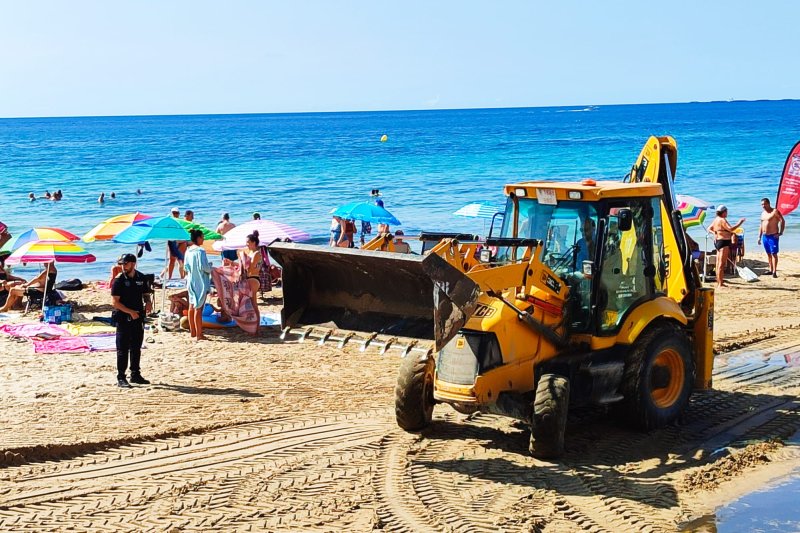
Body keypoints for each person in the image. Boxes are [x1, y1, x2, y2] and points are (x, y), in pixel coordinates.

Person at [111, 253, 153, 388]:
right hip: (123, 317)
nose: (123, 266)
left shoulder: (141, 277)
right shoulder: (119, 280)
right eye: (121, 264)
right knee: (122, 348)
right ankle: (121, 377)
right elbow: (115, 303)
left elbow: (146, 293)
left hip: (138, 316)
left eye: (126, 263)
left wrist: (148, 302)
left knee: (136, 347)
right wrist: (130, 312)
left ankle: (135, 374)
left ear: (133, 263)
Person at [708, 205, 745, 288]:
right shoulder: (722, 220)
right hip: (723, 242)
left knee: (718, 263)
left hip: (718, 242)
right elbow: (731, 229)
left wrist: (715, 233)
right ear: (724, 212)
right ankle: (720, 283)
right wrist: (740, 223)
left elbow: (709, 228)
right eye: (726, 211)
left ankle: (719, 282)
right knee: (721, 264)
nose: (727, 213)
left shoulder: (716, 220)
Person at [184, 229, 212, 340]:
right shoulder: (200, 251)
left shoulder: (188, 251)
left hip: (191, 280)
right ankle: (199, 334)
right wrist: (211, 268)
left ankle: (193, 331)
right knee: (198, 308)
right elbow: (204, 267)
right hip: (200, 281)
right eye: (202, 237)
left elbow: (186, 267)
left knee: (191, 305)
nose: (204, 239)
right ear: (199, 238)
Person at [238, 231, 262, 334]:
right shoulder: (252, 253)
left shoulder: (256, 253)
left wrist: (244, 259)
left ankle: (256, 327)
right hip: (251, 278)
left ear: (253, 242)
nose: (246, 244)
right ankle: (253, 325)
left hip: (253, 278)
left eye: (248, 242)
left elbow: (250, 267)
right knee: (250, 304)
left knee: (253, 304)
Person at [757, 198, 785, 278]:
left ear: (769, 203)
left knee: (774, 254)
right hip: (765, 236)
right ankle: (770, 269)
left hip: (773, 236)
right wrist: (759, 236)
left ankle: (774, 272)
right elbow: (761, 225)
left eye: (765, 204)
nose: (763, 206)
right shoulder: (763, 213)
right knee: (768, 254)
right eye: (762, 204)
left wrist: (780, 233)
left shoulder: (774, 211)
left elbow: (782, 221)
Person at [164, 208, 185, 279]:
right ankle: (169, 277)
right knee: (172, 260)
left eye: (176, 213)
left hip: (179, 241)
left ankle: (182, 277)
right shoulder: (169, 221)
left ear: (179, 214)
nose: (175, 214)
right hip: (172, 241)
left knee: (181, 259)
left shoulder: (179, 222)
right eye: (174, 213)